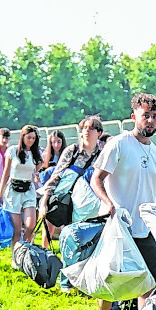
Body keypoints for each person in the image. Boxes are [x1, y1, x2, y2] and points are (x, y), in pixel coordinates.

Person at [90, 94, 156, 310]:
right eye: (146, 116)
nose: (150, 121)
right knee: (112, 279)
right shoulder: (119, 144)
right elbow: (96, 179)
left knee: (149, 283)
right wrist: (109, 204)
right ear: (134, 117)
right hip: (119, 227)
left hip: (146, 229)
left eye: (155, 117)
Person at [39, 115, 104, 293]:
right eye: (84, 128)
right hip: (70, 204)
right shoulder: (72, 151)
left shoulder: (102, 154)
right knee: (71, 242)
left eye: (91, 128)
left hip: (93, 207)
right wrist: (44, 202)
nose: (86, 131)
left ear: (99, 133)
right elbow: (56, 176)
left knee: (91, 243)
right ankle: (66, 282)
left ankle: (86, 282)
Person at [0, 125, 42, 267]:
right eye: (29, 138)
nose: (31, 141)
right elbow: (6, 173)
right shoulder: (13, 151)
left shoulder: (36, 153)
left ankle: (25, 254)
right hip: (13, 190)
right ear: (22, 137)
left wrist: (37, 179)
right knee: (16, 230)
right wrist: (0, 193)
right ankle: (16, 257)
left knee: (30, 225)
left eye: (33, 138)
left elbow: (34, 171)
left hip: (28, 190)